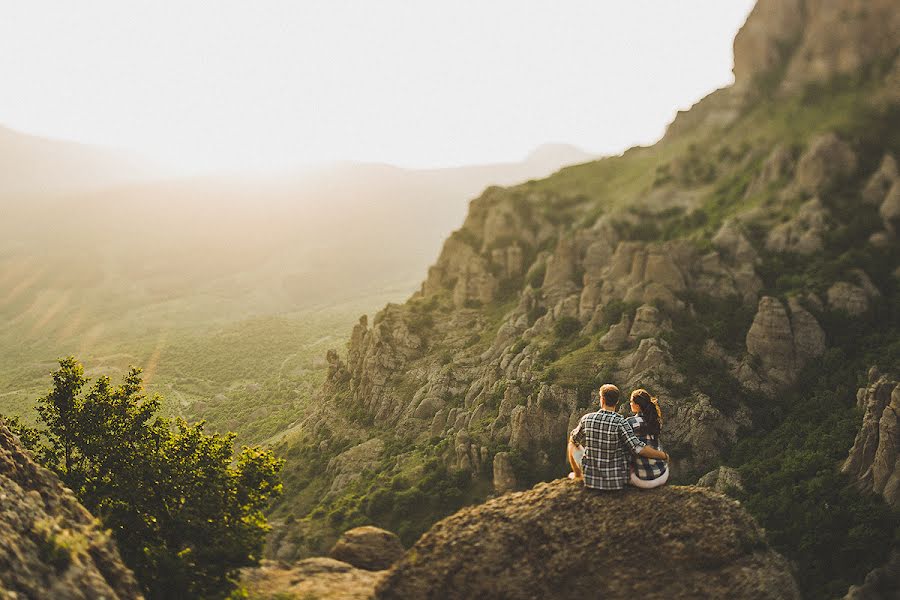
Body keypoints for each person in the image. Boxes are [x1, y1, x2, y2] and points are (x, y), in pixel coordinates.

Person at [568, 384, 669, 491]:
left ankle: (578, 476)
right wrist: (664, 456)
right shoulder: (622, 423)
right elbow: (638, 448)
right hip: (616, 480)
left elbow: (574, 439)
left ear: (602, 399)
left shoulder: (587, 418)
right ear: (617, 401)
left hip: (591, 478)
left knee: (572, 444)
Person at [626, 388, 669, 489]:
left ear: (637, 405)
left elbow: (639, 450)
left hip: (643, 480)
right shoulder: (654, 420)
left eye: (631, 401)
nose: (630, 404)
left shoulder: (630, 422)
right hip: (662, 474)